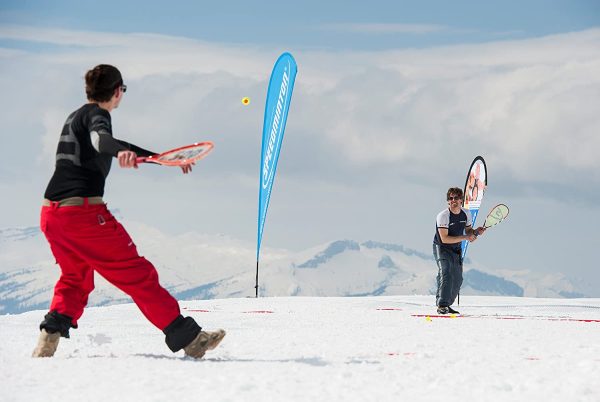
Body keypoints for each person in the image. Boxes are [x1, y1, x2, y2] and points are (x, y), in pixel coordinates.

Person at [32, 64, 225, 359]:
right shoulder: (99, 116)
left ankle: (50, 335)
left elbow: (114, 144)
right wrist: (116, 151)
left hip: (52, 215)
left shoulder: (76, 116)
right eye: (122, 90)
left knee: (76, 276)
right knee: (137, 274)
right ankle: (190, 338)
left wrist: (162, 160)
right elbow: (102, 140)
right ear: (116, 90)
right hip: (83, 216)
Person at [432, 187, 485, 314]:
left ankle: (447, 304)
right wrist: (466, 237)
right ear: (447, 201)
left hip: (456, 249)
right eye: (450, 198)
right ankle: (442, 305)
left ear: (461, 200)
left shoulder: (466, 213)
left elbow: (468, 231)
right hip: (442, 248)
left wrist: (476, 232)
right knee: (446, 272)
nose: (453, 200)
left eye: (456, 198)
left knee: (458, 279)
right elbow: (444, 239)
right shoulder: (443, 216)